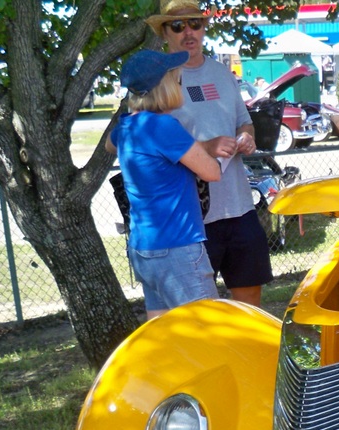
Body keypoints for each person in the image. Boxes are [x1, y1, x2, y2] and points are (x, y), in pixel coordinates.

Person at [146, 0, 273, 308]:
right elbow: (147, 146)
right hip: (191, 217)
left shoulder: (222, 73)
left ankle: (246, 357)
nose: (188, 32)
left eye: (195, 24)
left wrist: (246, 137)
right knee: (196, 314)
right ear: (164, 33)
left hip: (240, 208)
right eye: (177, 26)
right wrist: (207, 147)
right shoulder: (156, 81)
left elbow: (243, 120)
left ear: (204, 28)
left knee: (249, 305)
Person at [105, 49, 222, 320]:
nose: (181, 84)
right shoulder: (163, 127)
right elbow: (212, 172)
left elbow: (111, 145)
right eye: (177, 79)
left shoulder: (127, 127)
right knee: (209, 334)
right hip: (178, 248)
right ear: (166, 86)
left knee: (164, 337)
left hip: (144, 247)